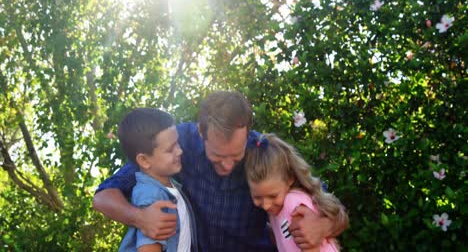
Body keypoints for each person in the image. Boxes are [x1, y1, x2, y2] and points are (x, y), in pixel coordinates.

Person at [93, 91, 347, 251]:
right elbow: (103, 195)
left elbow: (332, 209)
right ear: (200, 132)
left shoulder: (264, 154)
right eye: (216, 156)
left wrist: (323, 225)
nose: (227, 165)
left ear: (247, 134)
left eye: (236, 156)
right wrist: (140, 217)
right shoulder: (178, 146)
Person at [244, 133, 349, 252]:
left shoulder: (293, 204)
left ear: (290, 179)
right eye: (257, 197)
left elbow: (310, 248)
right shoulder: (276, 210)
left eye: (273, 196)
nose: (266, 204)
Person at [115, 108, 198, 252]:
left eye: (177, 142)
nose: (179, 151)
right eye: (170, 149)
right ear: (144, 160)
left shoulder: (170, 186)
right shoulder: (152, 196)